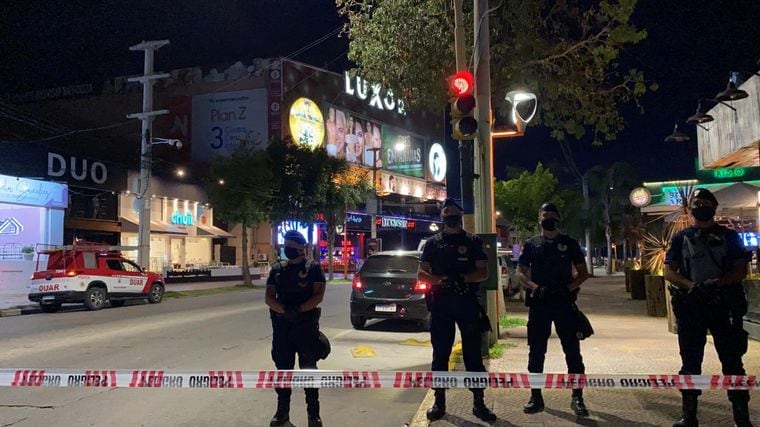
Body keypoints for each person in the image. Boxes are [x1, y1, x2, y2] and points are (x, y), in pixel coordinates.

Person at [664, 188, 752, 427]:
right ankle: (689, 416)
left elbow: (740, 268)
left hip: (723, 305)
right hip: (692, 307)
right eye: (696, 203)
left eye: (705, 202)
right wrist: (691, 286)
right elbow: (668, 270)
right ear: (690, 209)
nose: (700, 206)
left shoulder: (729, 236)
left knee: (733, 362)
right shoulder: (681, 238)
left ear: (713, 207)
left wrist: (718, 285)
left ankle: (741, 418)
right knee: (690, 363)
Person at [417, 198, 497, 422]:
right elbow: (421, 273)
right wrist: (442, 280)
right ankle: (439, 401)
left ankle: (479, 403)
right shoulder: (433, 243)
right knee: (440, 354)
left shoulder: (473, 241)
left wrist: (462, 278)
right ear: (441, 217)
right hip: (441, 304)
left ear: (461, 215)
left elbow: (484, 272)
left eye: (454, 213)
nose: (450, 216)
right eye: (446, 213)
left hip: (467, 302)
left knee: (473, 355)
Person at [517, 202, 590, 417]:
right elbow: (521, 272)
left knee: (573, 351)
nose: (548, 218)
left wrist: (567, 289)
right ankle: (535, 396)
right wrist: (533, 287)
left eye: (551, 215)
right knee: (536, 351)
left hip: (563, 303)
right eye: (544, 215)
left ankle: (577, 397)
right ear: (539, 219)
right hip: (539, 303)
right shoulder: (531, 244)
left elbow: (583, 273)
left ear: (558, 219)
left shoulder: (569, 243)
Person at [265, 230, 327, 427]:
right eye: (286, 245)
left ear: (300, 248)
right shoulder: (277, 270)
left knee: (309, 370)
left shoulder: (314, 268)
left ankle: (313, 415)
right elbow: (269, 297)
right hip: (283, 328)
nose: (286, 249)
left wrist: (299, 310)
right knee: (283, 371)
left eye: (290, 246)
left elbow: (318, 295)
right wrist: (284, 311)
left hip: (306, 326)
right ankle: (282, 414)